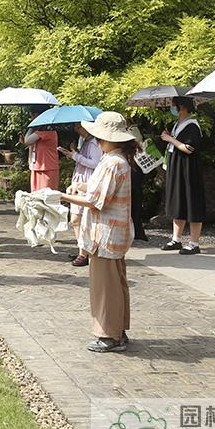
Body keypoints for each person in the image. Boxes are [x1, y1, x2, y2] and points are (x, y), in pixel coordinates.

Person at [60, 111, 136, 353]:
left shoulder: (113, 163)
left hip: (105, 235)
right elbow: (101, 190)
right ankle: (117, 331)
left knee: (105, 288)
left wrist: (62, 196)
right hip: (113, 234)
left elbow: (96, 201)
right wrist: (81, 186)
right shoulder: (116, 160)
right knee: (115, 284)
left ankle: (109, 335)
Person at [160, 96, 205, 255]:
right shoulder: (177, 124)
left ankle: (194, 243)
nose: (172, 108)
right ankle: (176, 239)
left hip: (188, 169)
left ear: (182, 106)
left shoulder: (192, 125)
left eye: (174, 105)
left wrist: (170, 139)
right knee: (178, 201)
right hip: (176, 167)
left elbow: (189, 148)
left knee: (192, 202)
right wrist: (169, 138)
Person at [59, 123, 102, 267]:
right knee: (76, 219)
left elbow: (95, 163)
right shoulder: (86, 141)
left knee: (79, 218)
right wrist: (74, 152)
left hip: (87, 182)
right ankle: (82, 251)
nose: (78, 130)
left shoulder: (94, 142)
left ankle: (84, 253)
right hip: (80, 179)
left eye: (79, 127)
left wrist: (75, 155)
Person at [22, 121, 59, 191]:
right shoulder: (40, 133)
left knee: (46, 195)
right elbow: (30, 144)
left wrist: (32, 127)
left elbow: (27, 141)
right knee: (35, 194)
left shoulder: (47, 131)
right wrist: (30, 163)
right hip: (37, 167)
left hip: (47, 168)